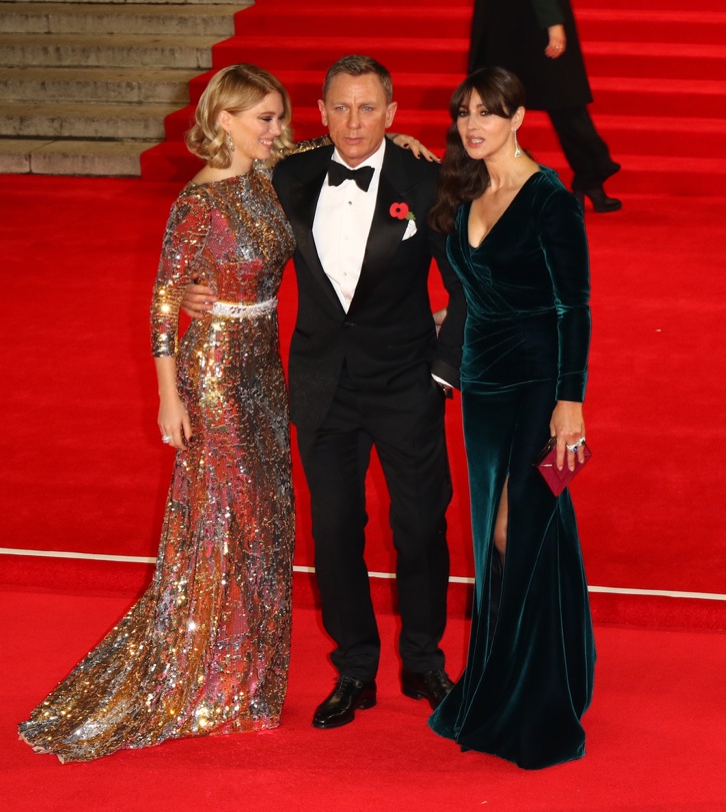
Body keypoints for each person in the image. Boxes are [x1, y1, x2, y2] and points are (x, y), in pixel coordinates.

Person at [18, 64, 304, 762]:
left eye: (278, 118)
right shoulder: (197, 202)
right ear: (226, 119)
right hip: (213, 374)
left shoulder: (269, 174)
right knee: (230, 514)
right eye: (263, 118)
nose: (277, 130)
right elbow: (164, 304)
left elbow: (338, 149)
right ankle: (198, 679)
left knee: (269, 521)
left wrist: (409, 141)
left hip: (265, 367)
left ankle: (248, 679)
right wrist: (168, 397)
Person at [184, 55, 467, 729]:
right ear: (321, 113)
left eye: (369, 108)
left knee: (419, 527)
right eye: (340, 107)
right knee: (337, 531)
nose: (354, 122)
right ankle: (356, 669)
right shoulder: (291, 174)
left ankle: (425, 659)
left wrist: (442, 371)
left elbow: (467, 287)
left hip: (406, 383)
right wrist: (198, 281)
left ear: (393, 115)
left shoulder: (426, 180)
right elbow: (226, 218)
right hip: (321, 388)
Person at [426, 67, 595, 769]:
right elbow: (471, 283)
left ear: (519, 117)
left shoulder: (549, 199)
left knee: (512, 529)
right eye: (465, 113)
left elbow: (573, 306)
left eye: (489, 114)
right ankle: (519, 674)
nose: (474, 124)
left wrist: (570, 402)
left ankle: (537, 698)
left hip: (536, 387)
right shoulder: (466, 186)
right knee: (498, 533)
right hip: (481, 388)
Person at [469, 0, 621, 212]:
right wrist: (553, 21)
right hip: (519, 19)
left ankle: (590, 177)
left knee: (560, 101)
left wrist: (553, 20)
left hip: (520, 19)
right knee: (497, 102)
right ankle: (488, 187)